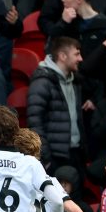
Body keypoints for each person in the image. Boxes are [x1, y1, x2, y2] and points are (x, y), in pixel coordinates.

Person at [26, 36, 85, 175]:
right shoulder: (42, 82)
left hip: (74, 153)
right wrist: (46, 157)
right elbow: (34, 123)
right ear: (63, 56)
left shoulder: (75, 81)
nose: (80, 59)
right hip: (54, 158)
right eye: (76, 54)